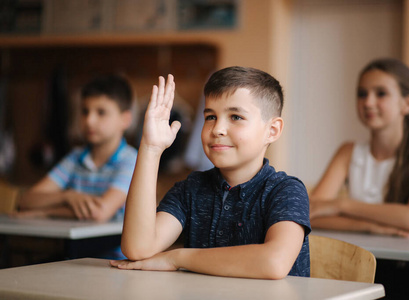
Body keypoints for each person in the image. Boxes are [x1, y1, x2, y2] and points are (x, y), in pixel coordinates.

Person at [110, 67, 311, 279]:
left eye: (235, 117)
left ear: (272, 131)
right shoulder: (191, 189)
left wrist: (176, 259)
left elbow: (273, 263)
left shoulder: (286, 191)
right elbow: (137, 248)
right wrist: (150, 149)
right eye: (210, 117)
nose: (217, 129)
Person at [309, 58, 409, 238]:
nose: (368, 102)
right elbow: (310, 214)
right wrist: (371, 227)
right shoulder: (347, 152)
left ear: (407, 104)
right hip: (366, 259)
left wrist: (340, 205)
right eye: (362, 94)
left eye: (381, 93)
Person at [17, 74, 138, 223]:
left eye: (101, 112)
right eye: (85, 111)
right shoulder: (75, 157)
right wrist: (67, 196)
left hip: (115, 247)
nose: (89, 121)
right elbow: (26, 200)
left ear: (125, 119)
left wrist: (44, 213)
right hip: (72, 246)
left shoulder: (132, 161)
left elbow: (98, 213)